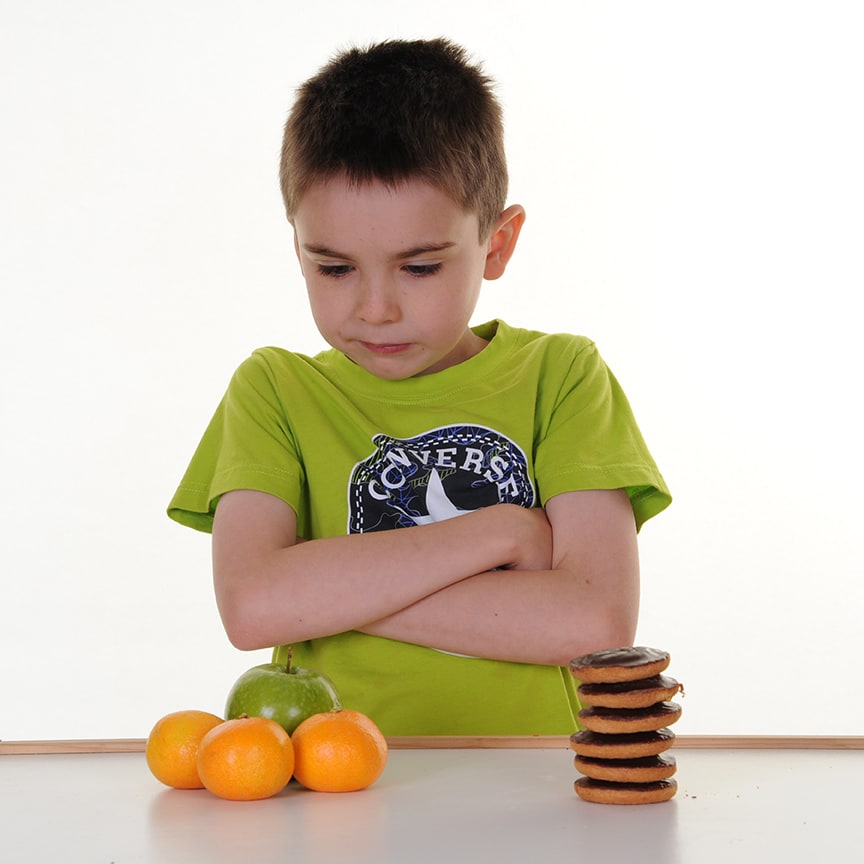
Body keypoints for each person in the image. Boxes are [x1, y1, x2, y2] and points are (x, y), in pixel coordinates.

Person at [167, 38, 671, 736]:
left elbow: (593, 619)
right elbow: (253, 607)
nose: (376, 309)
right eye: (335, 269)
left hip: (535, 795)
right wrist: (501, 533)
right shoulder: (273, 391)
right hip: (331, 797)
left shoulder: (562, 377)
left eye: (421, 268)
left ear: (496, 245)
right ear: (299, 252)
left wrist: (320, 592)